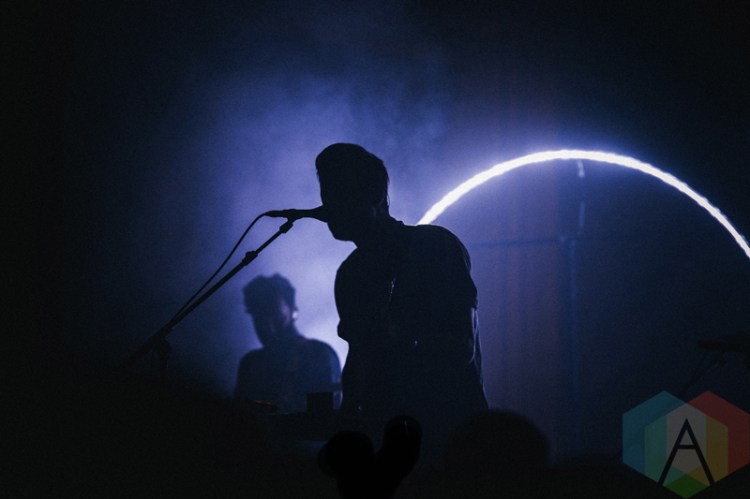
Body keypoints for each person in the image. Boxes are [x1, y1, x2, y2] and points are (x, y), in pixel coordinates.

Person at [315, 143, 488, 454]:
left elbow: (460, 347)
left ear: (375, 194)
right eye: (326, 192)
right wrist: (347, 416)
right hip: (386, 438)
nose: (329, 204)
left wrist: (394, 337)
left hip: (448, 435)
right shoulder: (351, 273)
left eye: (340, 192)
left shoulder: (433, 246)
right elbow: (357, 356)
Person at [234, 273, 341, 413]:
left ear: (293, 311)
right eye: (259, 317)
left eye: (275, 315)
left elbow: (322, 417)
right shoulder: (250, 363)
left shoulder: (317, 354)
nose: (268, 327)